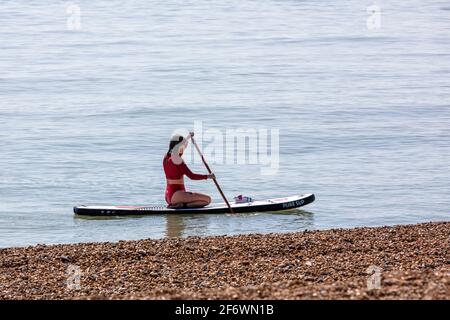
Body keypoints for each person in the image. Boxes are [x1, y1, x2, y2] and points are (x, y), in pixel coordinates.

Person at [163, 132, 214, 208]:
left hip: (168, 196)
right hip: (177, 195)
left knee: (204, 200)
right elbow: (191, 176)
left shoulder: (166, 157)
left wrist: (188, 137)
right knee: (207, 200)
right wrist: (208, 176)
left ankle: (178, 204)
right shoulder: (178, 160)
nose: (185, 147)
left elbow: (180, 146)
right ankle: (182, 205)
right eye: (183, 146)